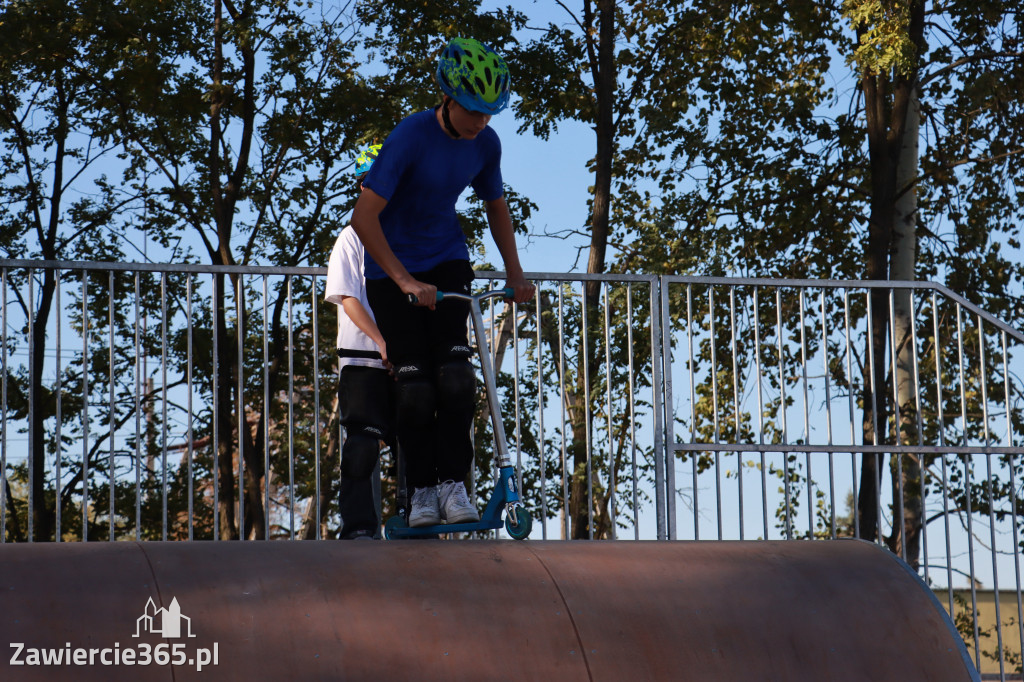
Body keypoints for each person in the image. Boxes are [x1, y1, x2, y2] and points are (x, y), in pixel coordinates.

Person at [350, 37, 534, 528]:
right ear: (449, 99)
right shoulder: (408, 137)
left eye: (490, 113)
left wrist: (515, 273)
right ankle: (421, 491)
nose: (481, 122)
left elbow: (496, 206)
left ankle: (454, 484)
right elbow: (363, 220)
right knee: (415, 388)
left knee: (455, 377)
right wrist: (405, 279)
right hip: (391, 270)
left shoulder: (486, 145)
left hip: (447, 259)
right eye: (474, 110)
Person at [325, 144, 394, 540]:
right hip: (364, 357)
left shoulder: (408, 235)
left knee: (414, 438)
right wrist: (382, 340)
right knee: (362, 444)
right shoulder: (351, 238)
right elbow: (348, 297)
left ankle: (413, 520)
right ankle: (359, 527)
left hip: (402, 356)